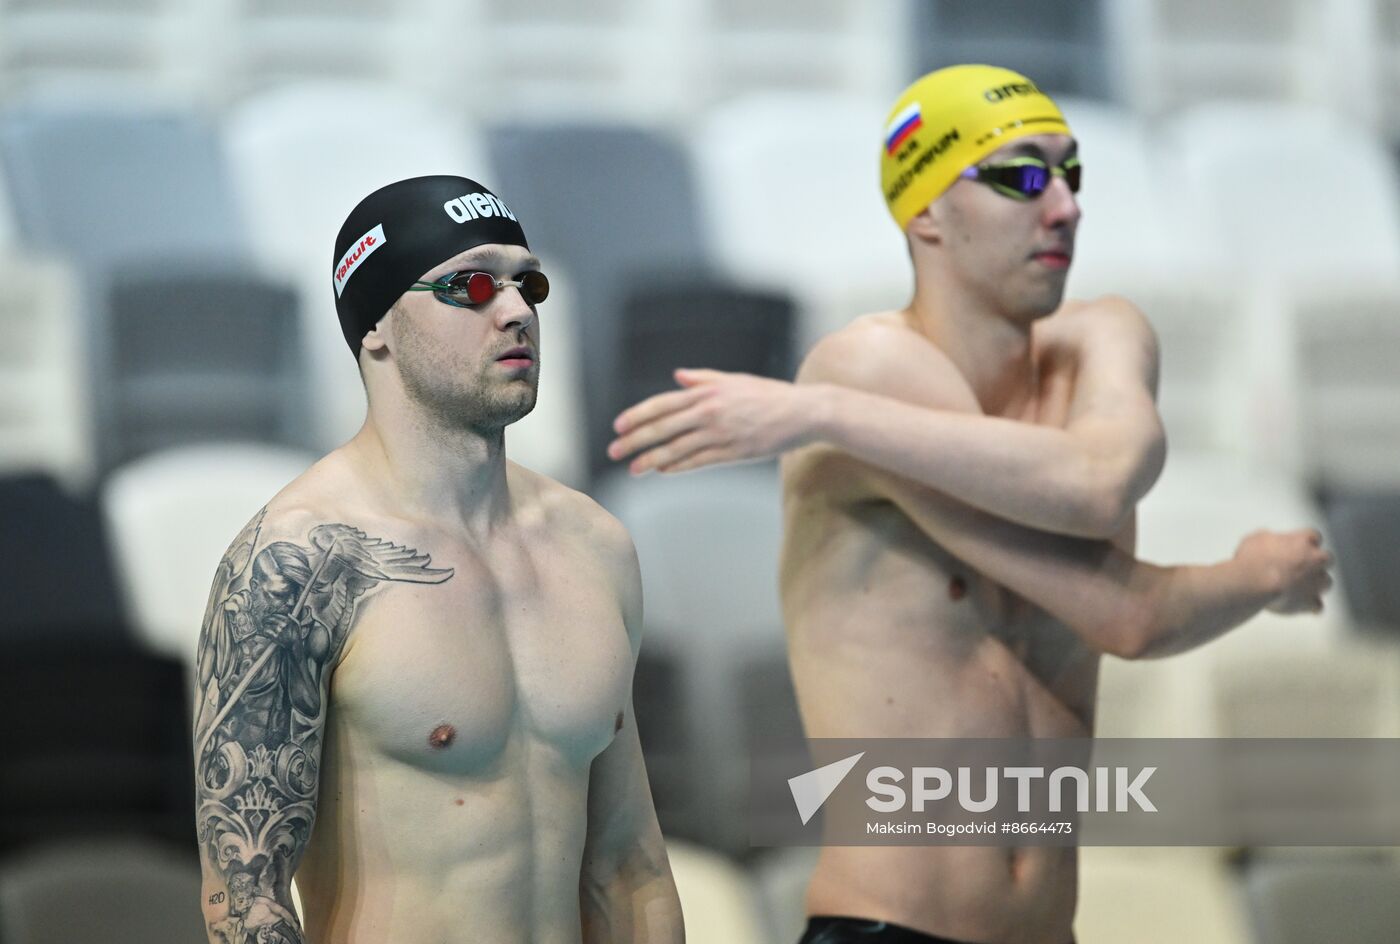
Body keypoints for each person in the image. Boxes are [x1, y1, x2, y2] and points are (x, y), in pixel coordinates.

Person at [607, 65, 1332, 944]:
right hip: (890, 929)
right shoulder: (868, 369)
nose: (1063, 206)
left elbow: (1106, 480)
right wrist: (1255, 573)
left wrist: (823, 417)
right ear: (925, 212)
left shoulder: (1104, 337)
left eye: (1073, 175)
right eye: (1022, 177)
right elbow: (1128, 610)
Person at [193, 175, 683, 944]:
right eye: (473, 286)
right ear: (378, 327)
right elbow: (244, 898)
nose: (517, 310)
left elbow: (627, 867)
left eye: (528, 283)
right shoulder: (299, 563)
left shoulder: (593, 546)